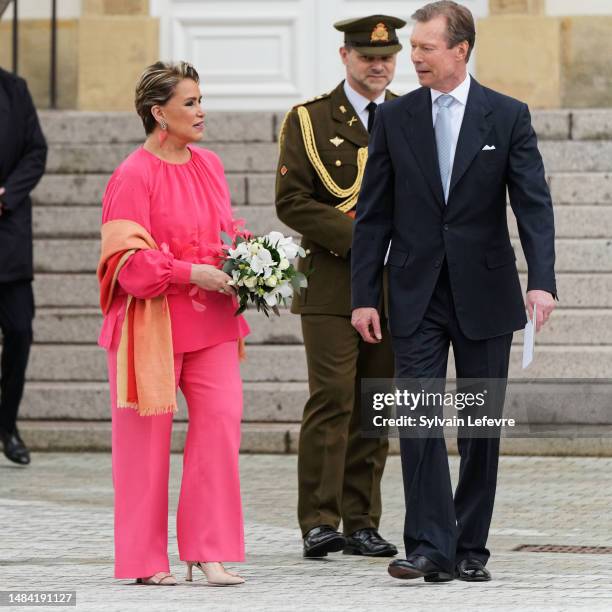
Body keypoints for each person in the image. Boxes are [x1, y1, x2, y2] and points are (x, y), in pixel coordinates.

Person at [351, 1, 557, 583]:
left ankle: (470, 547)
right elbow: (372, 214)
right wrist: (365, 294)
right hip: (415, 291)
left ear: (461, 50)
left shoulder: (507, 115)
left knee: (478, 428)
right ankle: (427, 546)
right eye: (412, 47)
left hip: (485, 292)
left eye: (424, 47)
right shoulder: (394, 118)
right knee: (416, 418)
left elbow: (533, 204)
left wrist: (541, 281)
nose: (412, 56)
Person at [97, 61, 249, 586]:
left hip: (212, 327)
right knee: (143, 447)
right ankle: (143, 562)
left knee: (221, 425)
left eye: (201, 99)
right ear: (159, 113)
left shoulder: (210, 164)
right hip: (149, 330)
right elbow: (127, 265)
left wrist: (250, 261)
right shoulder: (131, 175)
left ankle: (209, 551)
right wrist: (192, 273)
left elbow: (228, 233)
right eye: (190, 103)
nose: (201, 110)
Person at [275, 15, 405, 558]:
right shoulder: (309, 119)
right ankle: (319, 520)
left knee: (376, 404)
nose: (379, 66)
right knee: (331, 400)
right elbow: (293, 202)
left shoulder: (410, 114)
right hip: (332, 281)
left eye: (387, 57)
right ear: (345, 57)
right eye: (368, 57)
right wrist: (366, 239)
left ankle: (362, 520)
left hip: (396, 284)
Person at [0, 67, 47, 466]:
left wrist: (5, 194)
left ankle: (7, 424)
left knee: (19, 332)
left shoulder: (15, 89)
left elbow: (36, 150)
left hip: (8, 236)